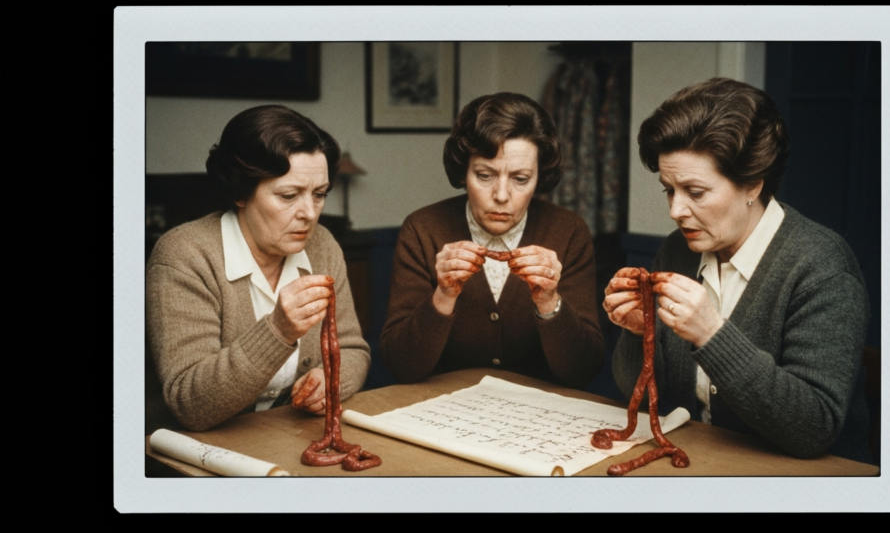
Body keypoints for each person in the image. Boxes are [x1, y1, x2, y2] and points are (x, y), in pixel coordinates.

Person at [604, 78, 873, 463]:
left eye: (695, 192)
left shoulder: (823, 268)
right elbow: (652, 405)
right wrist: (636, 332)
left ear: (752, 185)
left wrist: (712, 335)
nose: (675, 210)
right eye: (668, 189)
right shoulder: (677, 250)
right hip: (702, 464)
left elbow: (814, 428)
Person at [145, 105, 370, 432]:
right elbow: (190, 404)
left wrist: (331, 380)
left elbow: (353, 351)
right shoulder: (184, 255)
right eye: (289, 195)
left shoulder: (322, 245)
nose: (309, 212)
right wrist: (278, 330)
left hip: (284, 435)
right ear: (240, 193)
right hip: (193, 450)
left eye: (319, 194)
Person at [381, 92, 603, 389]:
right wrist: (442, 297)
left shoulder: (569, 231)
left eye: (520, 179)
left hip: (540, 415)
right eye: (485, 175)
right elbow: (400, 366)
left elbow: (584, 370)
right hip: (441, 410)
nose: (501, 195)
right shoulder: (422, 229)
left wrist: (550, 303)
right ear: (464, 171)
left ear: (541, 177)